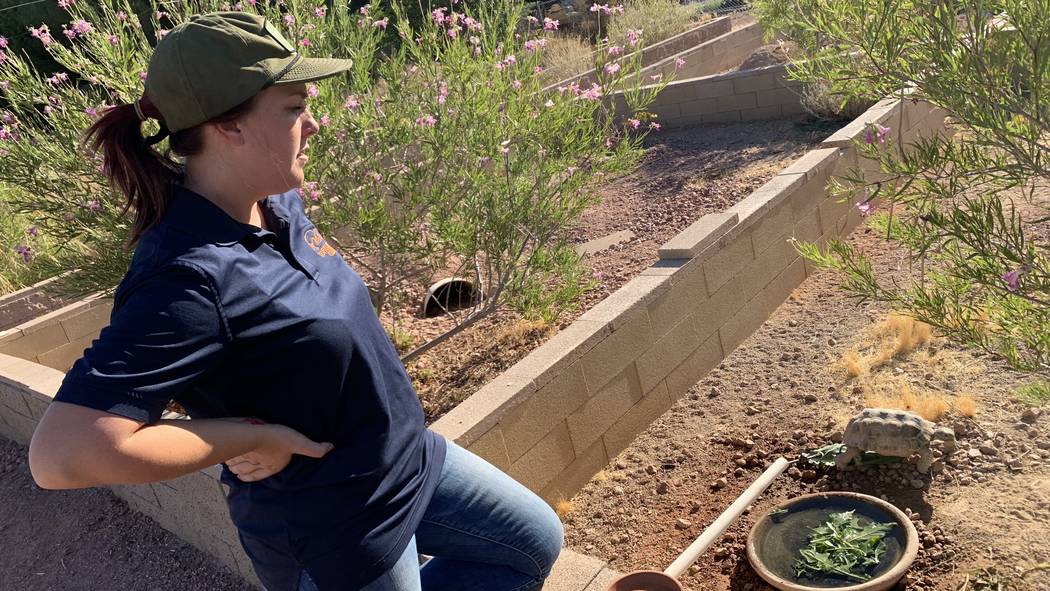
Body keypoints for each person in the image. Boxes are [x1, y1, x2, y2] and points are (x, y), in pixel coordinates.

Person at [26, 11, 563, 591]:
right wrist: (247, 436)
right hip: (338, 529)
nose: (313, 125)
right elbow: (62, 455)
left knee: (531, 541)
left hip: (407, 462)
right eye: (293, 108)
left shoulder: (275, 206)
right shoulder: (186, 277)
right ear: (227, 126)